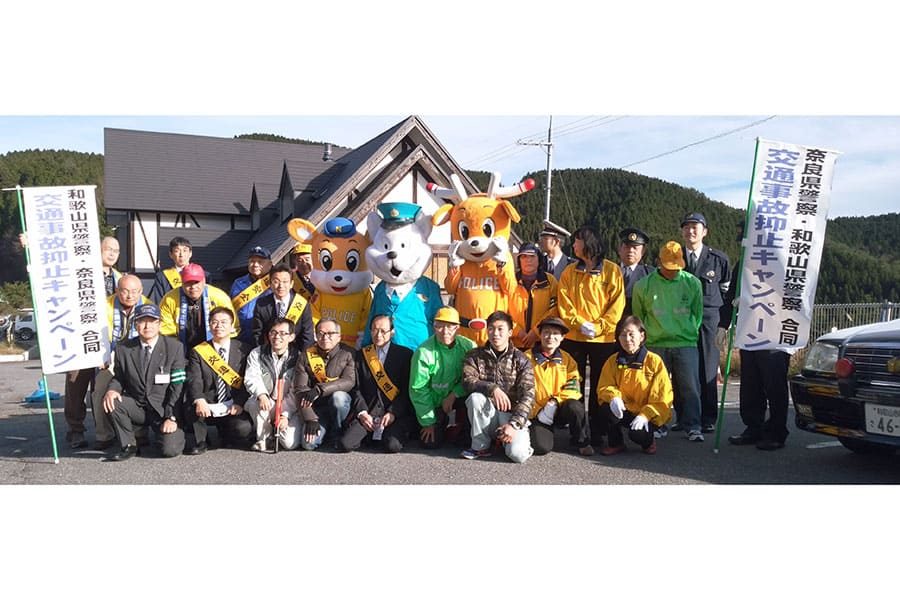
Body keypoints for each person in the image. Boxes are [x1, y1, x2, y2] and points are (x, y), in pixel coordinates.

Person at [556, 225, 626, 447]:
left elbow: (617, 305)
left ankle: (598, 431)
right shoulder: (569, 272)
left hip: (603, 339)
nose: (573, 245)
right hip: (574, 338)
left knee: (600, 385)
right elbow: (564, 303)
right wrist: (578, 323)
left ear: (588, 242)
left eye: (577, 241)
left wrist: (600, 326)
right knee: (574, 383)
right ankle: (578, 431)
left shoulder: (612, 271)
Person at [632, 241, 704, 441]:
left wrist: (687, 331)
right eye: (668, 267)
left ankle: (693, 425)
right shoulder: (644, 285)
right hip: (655, 343)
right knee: (656, 388)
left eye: (677, 267)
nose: (673, 271)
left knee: (689, 386)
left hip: (685, 342)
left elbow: (697, 314)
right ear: (658, 262)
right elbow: (639, 316)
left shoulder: (692, 283)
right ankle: (658, 423)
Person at [101, 303, 186, 461]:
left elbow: (178, 385)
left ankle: (171, 434)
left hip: (163, 409)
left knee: (170, 450)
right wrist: (113, 389)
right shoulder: (123, 348)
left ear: (159, 324)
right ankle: (128, 445)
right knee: (112, 401)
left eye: (152, 321)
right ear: (135, 324)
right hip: (138, 406)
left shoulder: (174, 347)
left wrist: (171, 417)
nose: (147, 326)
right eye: (142, 321)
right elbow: (119, 377)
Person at [723, 258, 792, 451]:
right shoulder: (745, 259)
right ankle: (754, 427)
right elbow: (732, 293)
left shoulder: (780, 256)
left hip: (775, 332)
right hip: (750, 330)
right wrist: (724, 322)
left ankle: (777, 431)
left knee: (774, 384)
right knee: (751, 383)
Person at [63, 236, 124, 449]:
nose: (112, 253)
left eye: (116, 250)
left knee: (103, 388)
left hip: (109, 344)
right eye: (108, 249)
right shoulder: (79, 273)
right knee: (76, 385)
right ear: (97, 250)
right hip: (82, 340)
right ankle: (75, 429)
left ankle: (106, 430)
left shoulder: (120, 279)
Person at [460, 311, 535, 462]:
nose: (495, 333)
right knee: (475, 398)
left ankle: (516, 440)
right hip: (488, 415)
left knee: (518, 456)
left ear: (510, 332)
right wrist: (492, 388)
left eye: (500, 329)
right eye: (491, 329)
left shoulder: (522, 360)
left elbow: (528, 395)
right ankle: (481, 447)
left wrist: (514, 424)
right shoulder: (474, 355)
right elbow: (467, 381)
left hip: (511, 416)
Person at [680, 212, 731, 433]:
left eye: (695, 227)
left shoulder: (718, 259)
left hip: (710, 320)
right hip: (681, 320)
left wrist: (724, 325)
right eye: (687, 227)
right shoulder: (674, 257)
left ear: (704, 231)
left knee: (708, 369)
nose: (691, 231)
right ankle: (683, 416)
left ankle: (708, 417)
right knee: (683, 369)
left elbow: (727, 295)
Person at [596, 315, 674, 455]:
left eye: (632, 334)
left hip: (646, 414)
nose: (627, 339)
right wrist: (614, 397)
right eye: (623, 335)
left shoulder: (654, 361)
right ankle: (616, 443)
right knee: (605, 409)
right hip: (624, 409)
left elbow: (662, 396)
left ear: (642, 336)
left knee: (637, 434)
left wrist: (645, 415)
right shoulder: (613, 361)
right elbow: (604, 385)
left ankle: (648, 442)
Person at [90, 274, 151, 450]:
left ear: (141, 291)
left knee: (141, 389)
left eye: (134, 292)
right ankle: (104, 435)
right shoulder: (103, 306)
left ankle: (139, 433)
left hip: (137, 356)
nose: (130, 296)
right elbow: (94, 335)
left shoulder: (148, 306)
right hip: (109, 357)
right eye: (124, 291)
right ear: (117, 290)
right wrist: (101, 357)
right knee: (100, 390)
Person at [339, 315, 416, 453]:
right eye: (374, 330)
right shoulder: (362, 355)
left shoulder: (405, 355)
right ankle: (370, 435)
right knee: (346, 444)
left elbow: (406, 391)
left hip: (391, 415)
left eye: (383, 331)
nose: (378, 334)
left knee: (392, 446)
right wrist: (362, 413)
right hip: (368, 412)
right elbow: (356, 389)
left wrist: (393, 413)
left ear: (392, 332)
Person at [185, 306, 254, 454]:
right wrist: (199, 399)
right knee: (191, 406)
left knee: (243, 429)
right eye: (214, 322)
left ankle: (226, 434)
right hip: (208, 403)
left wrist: (240, 402)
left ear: (232, 326)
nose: (219, 326)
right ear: (209, 326)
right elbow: (194, 379)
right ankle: (201, 441)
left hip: (232, 404)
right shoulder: (199, 351)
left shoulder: (244, 349)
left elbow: (248, 381)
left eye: (224, 322)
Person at [409, 306, 477, 450]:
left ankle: (464, 431)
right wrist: (428, 422)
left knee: (475, 395)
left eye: (450, 327)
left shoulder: (469, 346)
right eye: (439, 326)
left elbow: (472, 378)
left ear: (458, 328)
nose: (445, 332)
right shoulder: (423, 352)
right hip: (433, 403)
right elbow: (418, 389)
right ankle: (437, 423)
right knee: (430, 443)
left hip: (458, 397)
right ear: (434, 327)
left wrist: (454, 394)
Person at [525, 316, 592, 456]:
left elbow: (574, 386)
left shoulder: (567, 359)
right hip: (537, 413)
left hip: (558, 409)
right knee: (541, 447)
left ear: (562, 337)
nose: (550, 337)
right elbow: (522, 389)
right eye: (546, 332)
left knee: (576, 406)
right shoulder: (526, 358)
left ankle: (580, 442)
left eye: (556, 333)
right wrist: (538, 411)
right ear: (540, 335)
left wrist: (555, 402)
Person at [291, 318, 355, 450]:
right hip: (317, 408)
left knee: (338, 398)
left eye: (330, 333)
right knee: (308, 444)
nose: (325, 337)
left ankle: (337, 432)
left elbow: (349, 381)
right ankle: (324, 431)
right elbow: (300, 389)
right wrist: (310, 418)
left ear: (339, 336)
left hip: (341, 406)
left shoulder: (349, 353)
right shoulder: (305, 355)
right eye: (321, 333)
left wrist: (320, 389)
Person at [243, 318, 301, 452]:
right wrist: (261, 394)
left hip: (288, 404)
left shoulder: (298, 357)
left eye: (282, 333)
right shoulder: (257, 353)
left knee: (289, 443)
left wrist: (285, 415)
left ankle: (277, 430)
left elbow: (296, 390)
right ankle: (263, 439)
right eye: (273, 332)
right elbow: (252, 377)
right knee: (255, 403)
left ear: (291, 337)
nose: (277, 337)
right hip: (266, 401)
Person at [159, 263, 236, 351]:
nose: (193, 287)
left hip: (214, 349)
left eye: (197, 282)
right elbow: (166, 331)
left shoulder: (219, 297)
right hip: (180, 348)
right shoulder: (170, 299)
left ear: (204, 281)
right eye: (188, 283)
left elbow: (232, 326)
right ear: (182, 282)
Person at [252, 264, 314, 352]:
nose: (281, 286)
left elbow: (307, 335)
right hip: (270, 352)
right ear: (270, 283)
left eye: (285, 282)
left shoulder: (302, 304)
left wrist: (302, 359)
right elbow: (258, 334)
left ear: (291, 284)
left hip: (296, 353)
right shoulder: (262, 304)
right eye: (276, 281)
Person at [509, 242, 559, 351]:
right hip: (513, 342)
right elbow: (502, 308)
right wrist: (517, 331)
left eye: (532, 256)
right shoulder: (510, 280)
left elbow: (554, 309)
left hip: (541, 341)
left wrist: (536, 331)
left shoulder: (549, 281)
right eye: (524, 256)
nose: (528, 260)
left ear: (539, 259)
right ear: (519, 260)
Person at [230, 246, 274, 345]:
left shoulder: (276, 282)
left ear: (270, 264)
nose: (255, 264)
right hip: (241, 337)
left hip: (267, 337)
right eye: (252, 261)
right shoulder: (238, 283)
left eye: (260, 261)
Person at [149, 236, 200, 303]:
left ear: (190, 253)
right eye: (177, 251)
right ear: (171, 254)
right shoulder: (162, 277)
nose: (181, 254)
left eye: (185, 250)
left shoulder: (201, 274)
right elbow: (160, 302)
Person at [617, 227, 654, 317]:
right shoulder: (609, 272)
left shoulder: (650, 274)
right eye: (627, 247)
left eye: (635, 247)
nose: (630, 251)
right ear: (619, 249)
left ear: (643, 251)